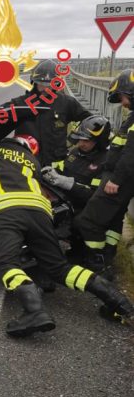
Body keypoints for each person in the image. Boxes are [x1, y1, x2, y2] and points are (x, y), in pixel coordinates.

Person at [0, 134, 133, 337]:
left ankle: (34, 312)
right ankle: (121, 305)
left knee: (4, 264)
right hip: (39, 211)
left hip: (4, 210)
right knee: (59, 268)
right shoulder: (29, 158)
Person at [75, 69, 134, 273]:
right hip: (122, 178)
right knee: (114, 219)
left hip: (120, 179)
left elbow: (131, 154)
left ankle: (96, 263)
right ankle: (108, 258)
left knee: (88, 221)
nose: (123, 103)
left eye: (124, 97)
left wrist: (115, 180)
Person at [10, 59, 91, 168]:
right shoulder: (19, 104)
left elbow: (90, 120)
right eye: (42, 85)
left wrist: (75, 138)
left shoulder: (66, 103)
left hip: (56, 168)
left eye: (50, 85)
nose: (46, 89)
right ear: (34, 82)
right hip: (26, 165)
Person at [41, 115, 110, 214]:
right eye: (80, 139)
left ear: (99, 141)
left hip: (82, 212)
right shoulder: (76, 152)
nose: (81, 143)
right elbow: (63, 168)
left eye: (86, 141)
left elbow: (94, 195)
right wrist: (51, 172)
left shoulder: (105, 162)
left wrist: (68, 184)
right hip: (61, 202)